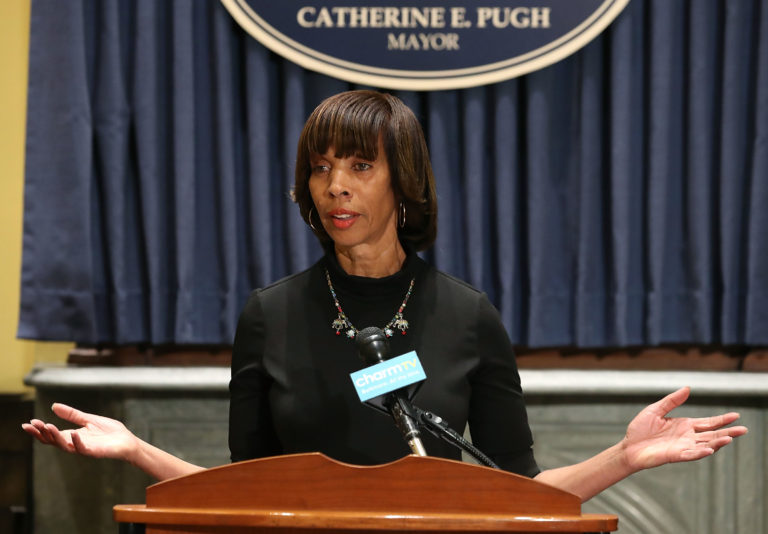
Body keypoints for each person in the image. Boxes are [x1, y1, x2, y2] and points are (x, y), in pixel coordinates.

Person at [22, 90, 747, 502]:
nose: (335, 186)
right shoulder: (270, 315)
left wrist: (625, 456)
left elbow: (520, 491)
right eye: (320, 168)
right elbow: (245, 493)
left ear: (403, 181)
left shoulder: (466, 315)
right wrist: (136, 450)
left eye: (359, 166)